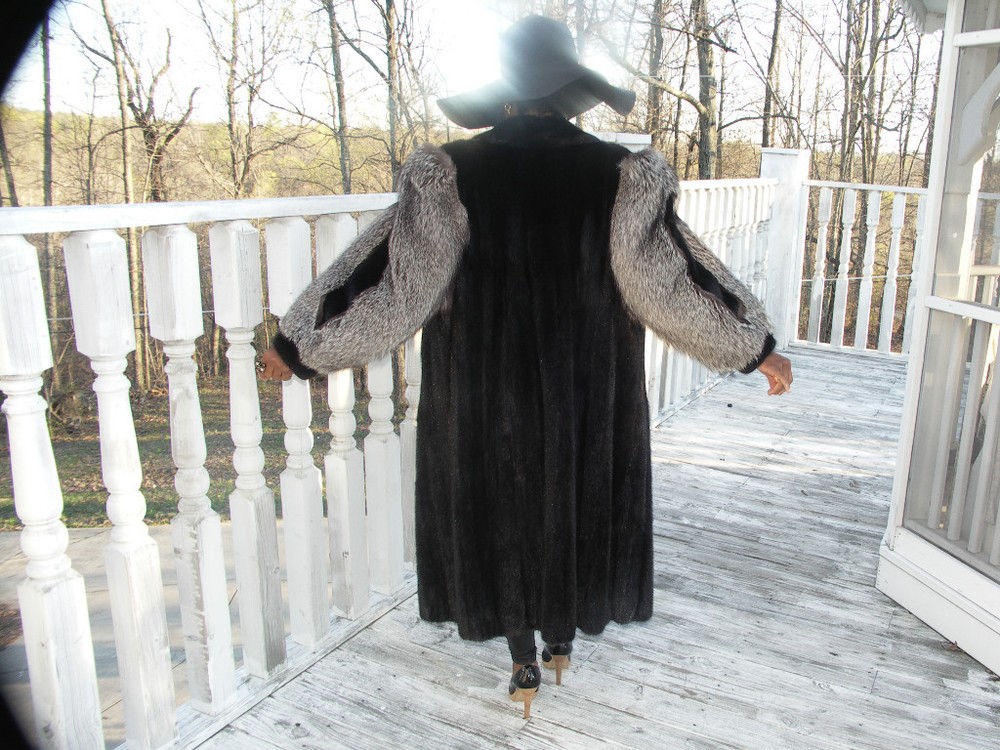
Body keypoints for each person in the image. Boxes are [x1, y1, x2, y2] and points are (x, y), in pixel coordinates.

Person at [258, 15, 792, 719]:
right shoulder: (620, 176)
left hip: (483, 390)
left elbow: (389, 281)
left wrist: (300, 347)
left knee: (500, 507)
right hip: (588, 388)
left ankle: (522, 657)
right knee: (574, 495)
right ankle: (561, 640)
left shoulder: (451, 172)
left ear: (504, 94)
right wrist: (753, 346)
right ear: (571, 94)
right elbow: (675, 282)